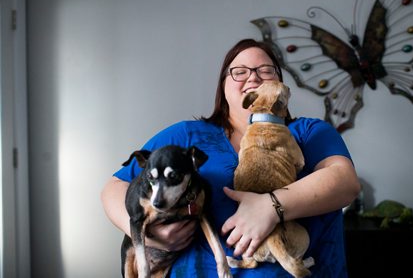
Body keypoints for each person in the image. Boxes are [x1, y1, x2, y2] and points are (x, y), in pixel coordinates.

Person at [101, 38, 360, 277]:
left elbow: (345, 182)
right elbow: (115, 188)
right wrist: (147, 235)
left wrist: (271, 207)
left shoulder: (309, 132)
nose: (253, 77)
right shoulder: (186, 136)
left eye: (266, 70)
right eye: (240, 71)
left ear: (280, 84)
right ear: (223, 86)